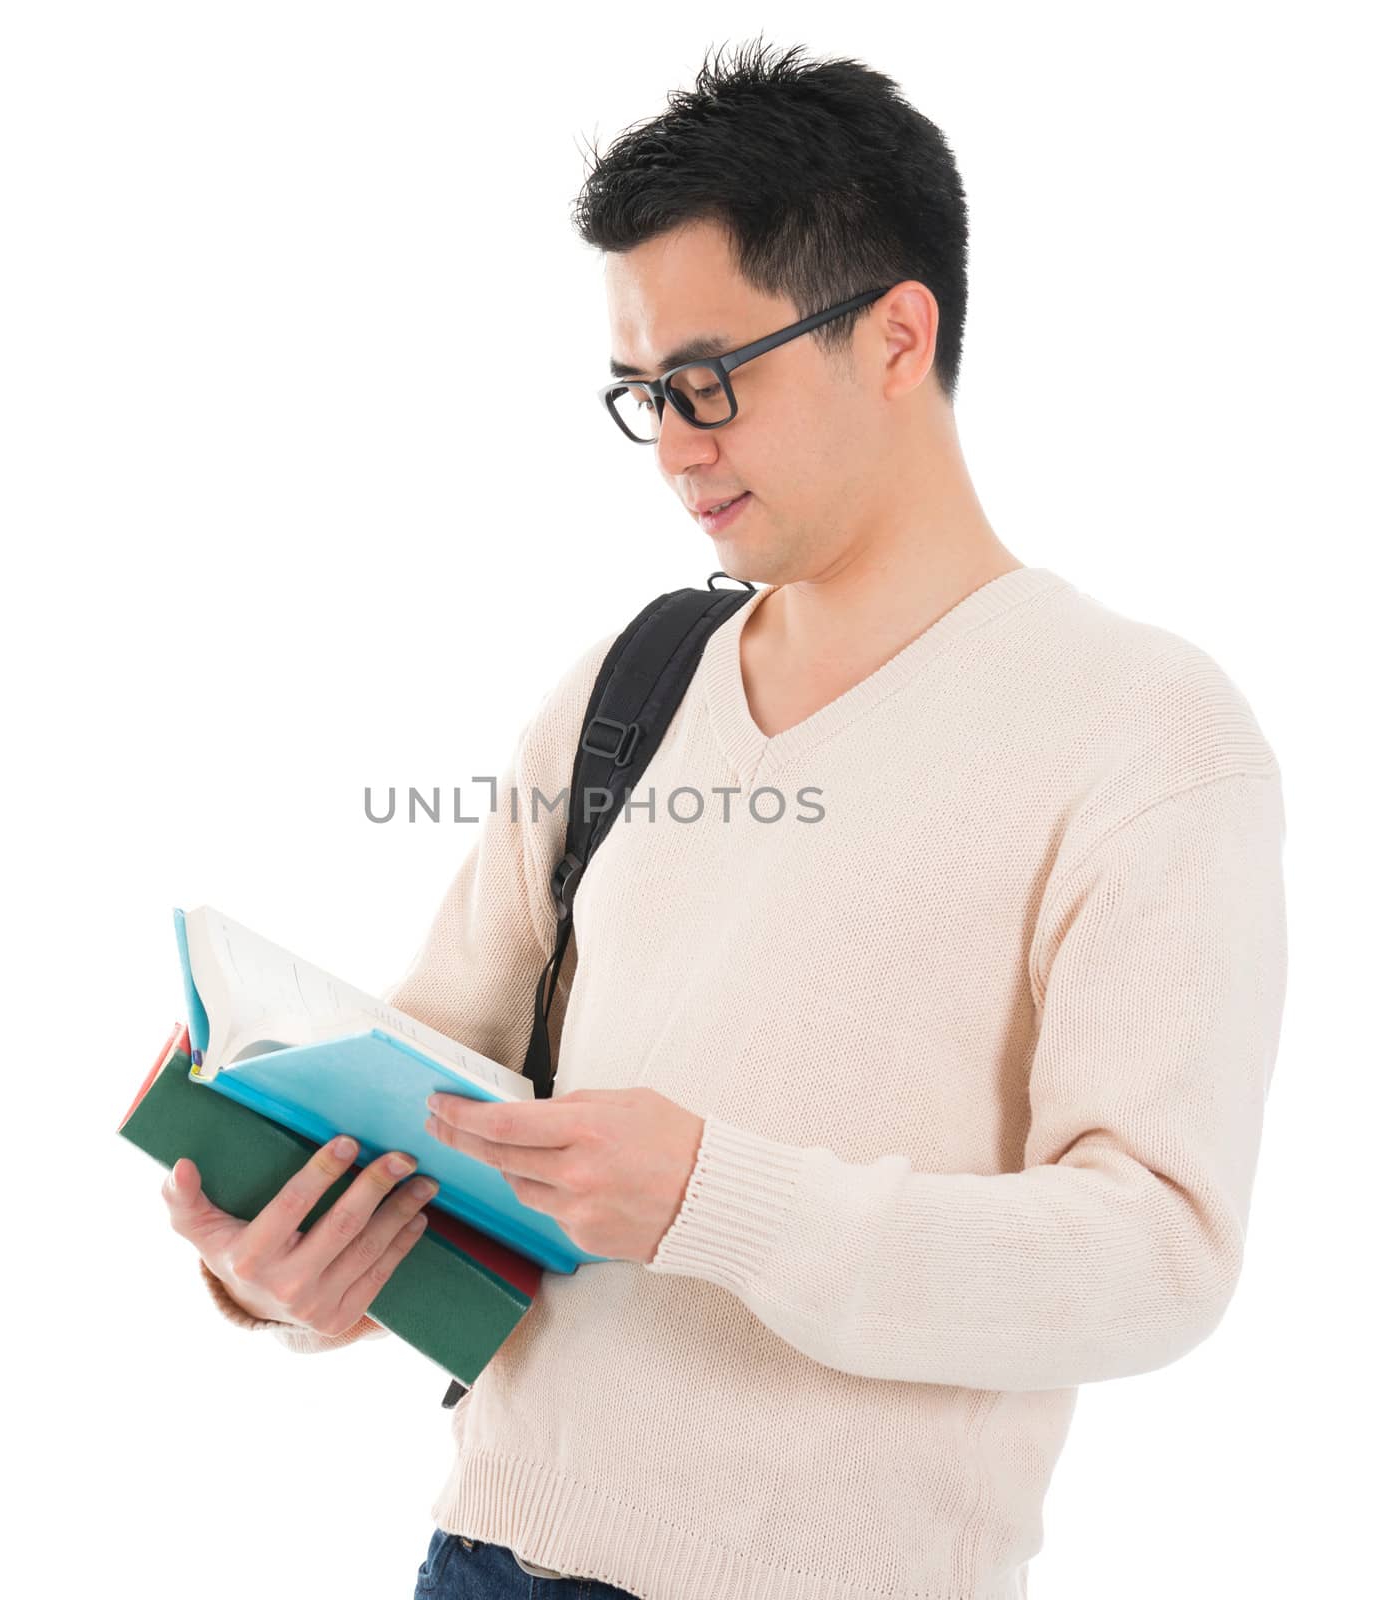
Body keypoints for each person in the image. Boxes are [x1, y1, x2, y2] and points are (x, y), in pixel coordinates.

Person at [162, 35, 1288, 1600]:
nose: (677, 444)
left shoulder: (1145, 730)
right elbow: (435, 1088)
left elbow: (1157, 1259)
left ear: (898, 335)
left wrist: (717, 1201)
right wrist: (289, 1259)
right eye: (643, 394)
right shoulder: (629, 685)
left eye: (711, 379)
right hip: (485, 1560)